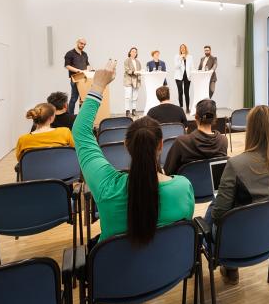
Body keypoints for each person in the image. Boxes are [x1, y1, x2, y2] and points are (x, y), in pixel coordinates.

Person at [72, 59, 195, 244]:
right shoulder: (183, 187)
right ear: (160, 145)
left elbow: (80, 132)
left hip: (117, 272)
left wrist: (98, 85)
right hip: (168, 271)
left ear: (126, 145)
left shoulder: (107, 187)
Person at [208, 105, 269, 284]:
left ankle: (227, 265)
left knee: (215, 206)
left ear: (250, 130)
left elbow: (219, 216)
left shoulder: (235, 164)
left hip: (237, 242)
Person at [163, 99, 228, 175]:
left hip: (188, 186)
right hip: (212, 186)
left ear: (196, 117)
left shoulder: (182, 142)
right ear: (215, 118)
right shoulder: (223, 141)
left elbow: (168, 172)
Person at [64, 38, 91, 114]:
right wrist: (79, 71)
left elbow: (87, 64)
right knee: (74, 98)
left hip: (84, 79)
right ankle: (70, 115)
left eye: (84, 44)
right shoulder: (70, 53)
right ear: (77, 42)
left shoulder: (84, 54)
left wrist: (88, 70)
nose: (83, 45)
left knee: (82, 98)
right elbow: (67, 66)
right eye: (81, 43)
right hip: (75, 79)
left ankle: (81, 115)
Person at [174, 44, 193, 113]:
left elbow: (192, 67)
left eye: (184, 48)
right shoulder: (177, 56)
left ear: (186, 49)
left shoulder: (190, 57)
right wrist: (181, 58)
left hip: (187, 76)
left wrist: (192, 75)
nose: (182, 49)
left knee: (186, 92)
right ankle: (181, 107)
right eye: (181, 48)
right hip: (178, 76)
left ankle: (187, 108)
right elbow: (176, 66)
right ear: (180, 49)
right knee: (180, 92)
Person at [123, 47, 142, 118]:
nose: (134, 53)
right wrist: (134, 72)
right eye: (133, 51)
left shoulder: (138, 62)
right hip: (128, 80)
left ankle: (134, 110)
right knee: (127, 97)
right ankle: (127, 111)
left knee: (135, 97)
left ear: (136, 53)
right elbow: (127, 70)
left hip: (136, 81)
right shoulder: (126, 61)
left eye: (135, 52)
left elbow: (139, 71)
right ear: (130, 52)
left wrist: (140, 73)